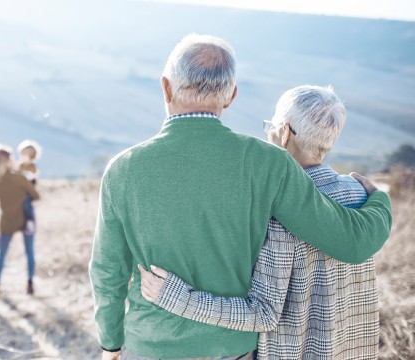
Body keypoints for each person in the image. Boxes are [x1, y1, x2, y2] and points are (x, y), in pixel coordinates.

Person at [88, 34, 392, 360]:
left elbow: (108, 271)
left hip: (149, 345)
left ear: (165, 87)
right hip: (231, 348)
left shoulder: (122, 169)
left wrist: (110, 343)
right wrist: (379, 202)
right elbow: (349, 241)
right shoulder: (269, 162)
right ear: (231, 96)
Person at [139, 85, 381, 359]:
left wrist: (176, 297)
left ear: (284, 133)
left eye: (271, 126)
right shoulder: (361, 193)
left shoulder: (277, 212)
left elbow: (264, 314)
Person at [0, 144, 40, 295]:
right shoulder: (18, 178)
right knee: (29, 251)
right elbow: (36, 195)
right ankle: (30, 283)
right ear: (6, 161)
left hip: (6, 218)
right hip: (25, 217)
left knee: (1, 253)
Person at [17, 140, 42, 235]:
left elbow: (32, 179)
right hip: (19, 191)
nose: (22, 158)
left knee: (27, 204)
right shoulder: (20, 166)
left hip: (28, 191)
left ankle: (29, 221)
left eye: (25, 155)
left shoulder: (33, 167)